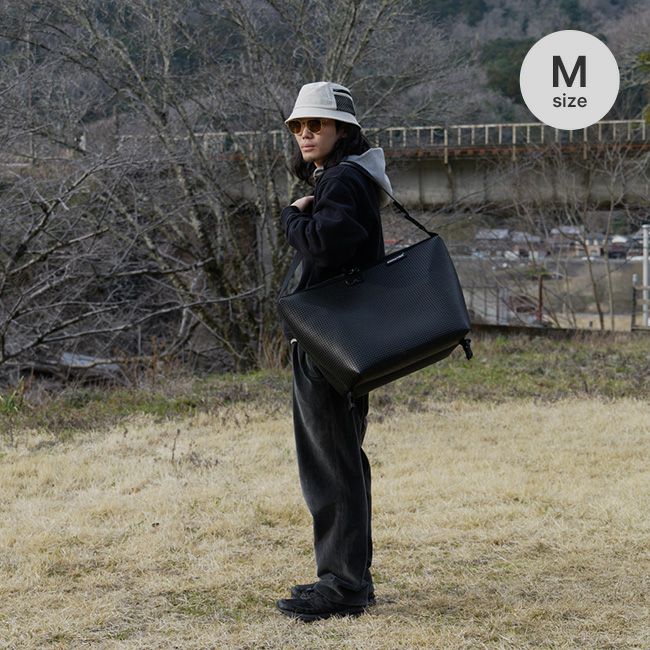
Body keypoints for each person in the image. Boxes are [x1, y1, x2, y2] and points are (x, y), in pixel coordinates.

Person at [275, 81, 393, 622]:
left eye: (315, 124)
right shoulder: (349, 176)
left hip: (328, 342)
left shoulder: (344, 179)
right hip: (341, 340)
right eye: (298, 126)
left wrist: (292, 216)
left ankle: (344, 586)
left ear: (342, 130)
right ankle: (346, 578)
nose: (305, 134)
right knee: (340, 459)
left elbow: (324, 244)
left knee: (331, 465)